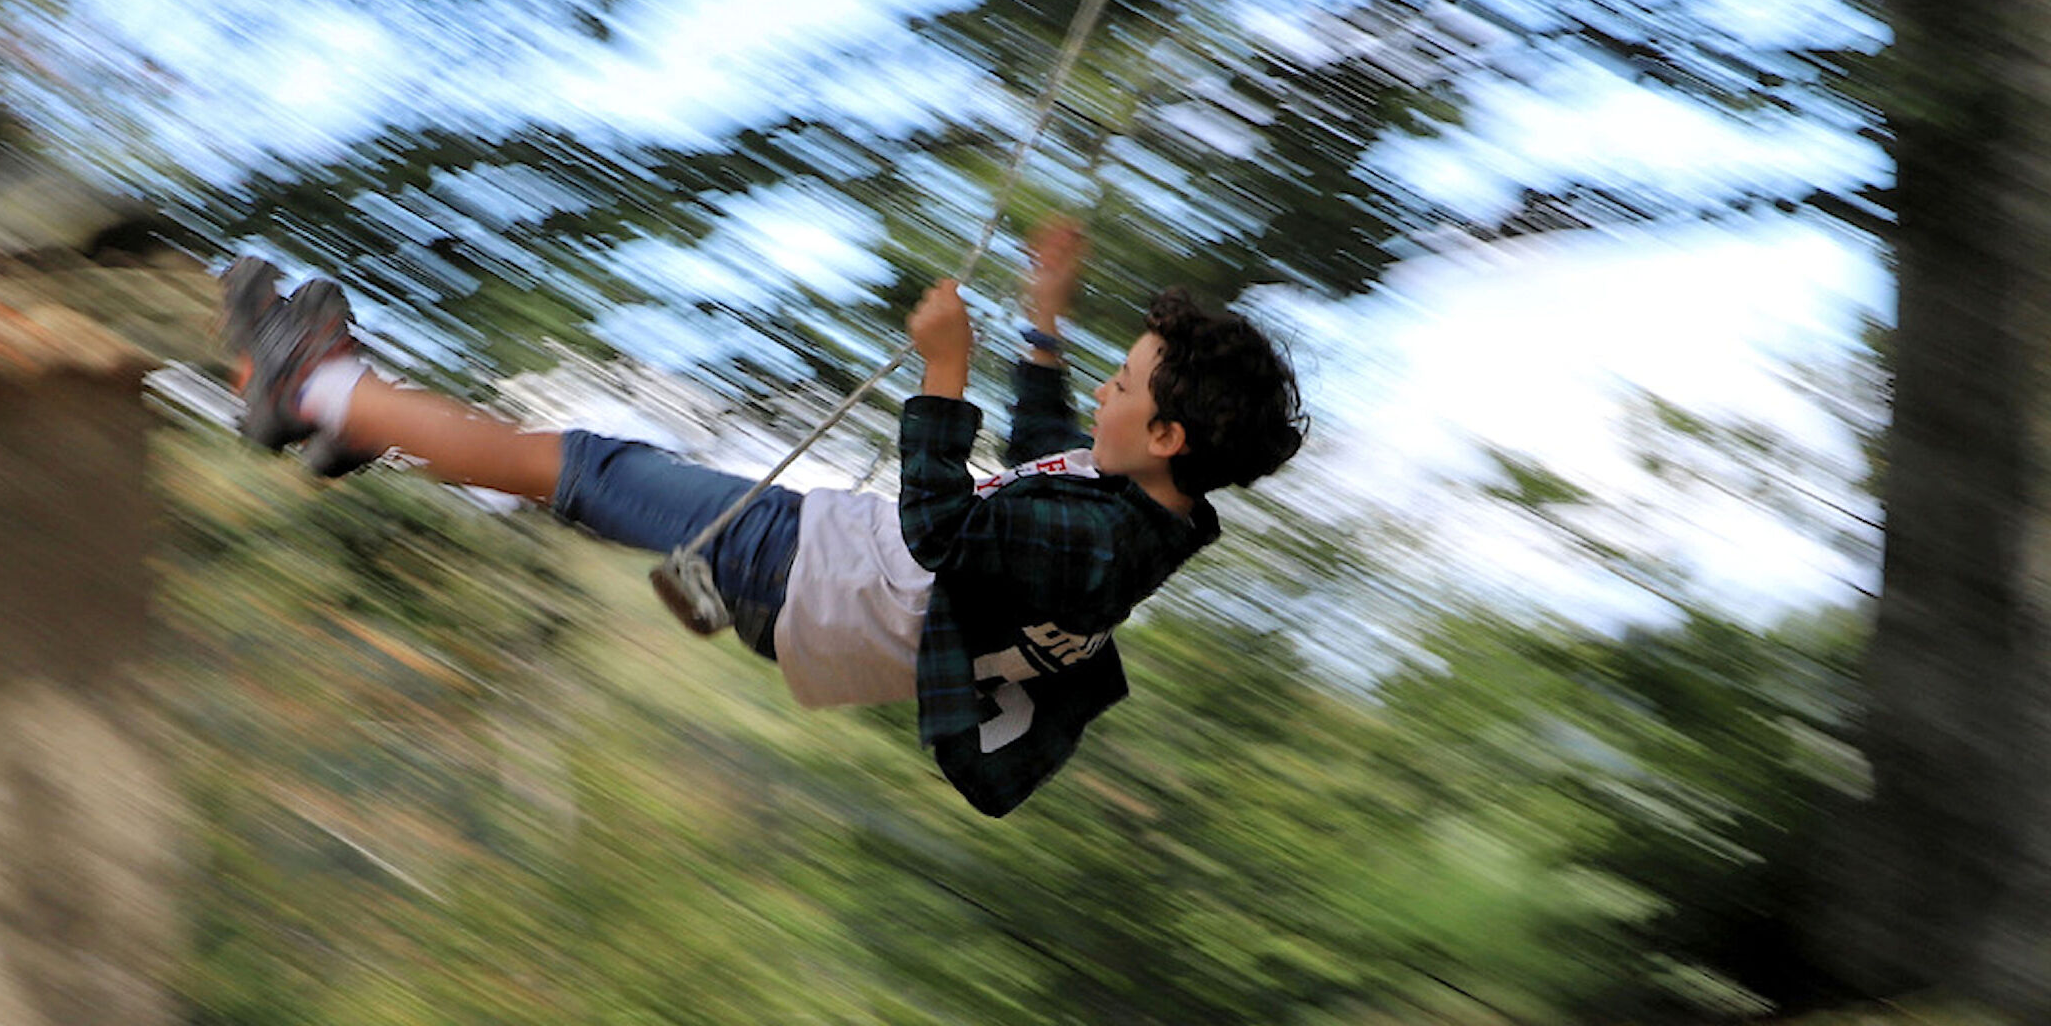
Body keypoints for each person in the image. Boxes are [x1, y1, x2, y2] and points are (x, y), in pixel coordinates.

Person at [218, 221, 1306, 814]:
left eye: (1126, 385)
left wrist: (944, 369)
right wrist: (1042, 327)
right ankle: (360, 417)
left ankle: (311, 389)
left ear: (1169, 437)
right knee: (585, 475)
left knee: (583, 464)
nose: (1108, 396)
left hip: (816, 576)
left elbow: (938, 525)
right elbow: (1041, 460)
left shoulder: (1102, 539)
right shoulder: (1134, 520)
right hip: (827, 583)